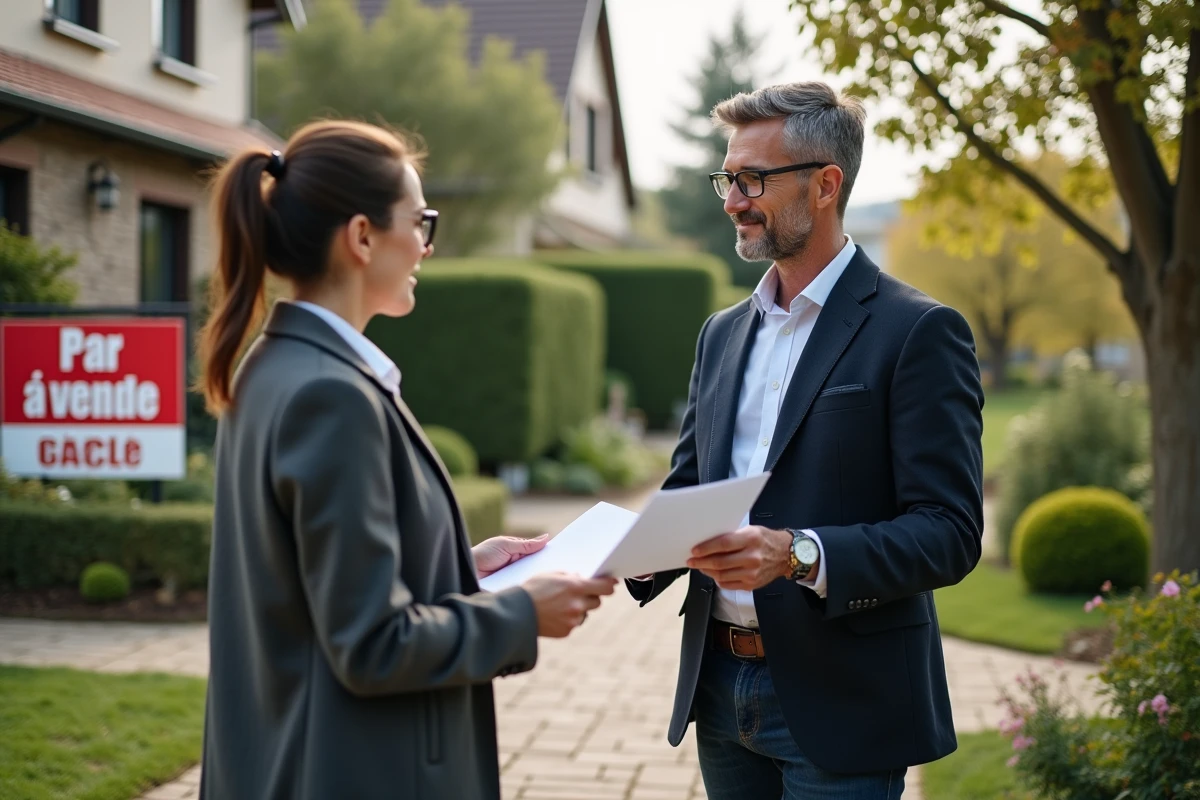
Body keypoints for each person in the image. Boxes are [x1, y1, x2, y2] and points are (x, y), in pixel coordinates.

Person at [196, 120, 616, 800]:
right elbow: (370, 644)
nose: (425, 244)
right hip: (350, 772)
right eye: (420, 221)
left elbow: (311, 591)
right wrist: (521, 614)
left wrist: (459, 569)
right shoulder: (332, 395)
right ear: (362, 237)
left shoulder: (275, 366)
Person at [628, 82, 985, 798]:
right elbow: (691, 486)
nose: (732, 199)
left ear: (826, 185)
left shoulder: (918, 331)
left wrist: (795, 554)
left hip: (845, 698)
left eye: (753, 178)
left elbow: (948, 532)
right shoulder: (722, 333)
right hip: (719, 687)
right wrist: (609, 553)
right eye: (728, 178)